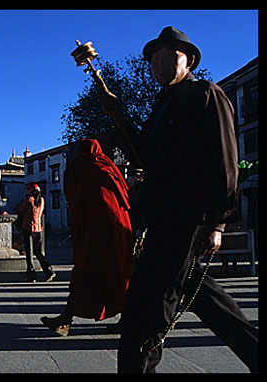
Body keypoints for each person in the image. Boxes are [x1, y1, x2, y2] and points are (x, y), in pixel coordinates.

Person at [93, 26, 257, 373]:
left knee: (147, 309)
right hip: (162, 218)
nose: (159, 63)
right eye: (154, 58)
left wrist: (217, 223)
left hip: (186, 221)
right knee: (205, 298)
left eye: (168, 56)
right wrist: (118, 116)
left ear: (188, 60)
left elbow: (225, 160)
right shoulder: (163, 104)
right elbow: (146, 158)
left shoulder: (205, 95)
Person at [41, 139, 133, 336]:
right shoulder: (107, 170)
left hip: (96, 236)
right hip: (116, 235)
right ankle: (67, 319)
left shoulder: (87, 171)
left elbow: (83, 203)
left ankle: (67, 319)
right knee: (114, 275)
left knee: (88, 275)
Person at [17, 183, 55, 283]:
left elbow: (20, 209)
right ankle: (48, 271)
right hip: (38, 229)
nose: (26, 191)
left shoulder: (29, 200)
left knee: (29, 254)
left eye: (28, 190)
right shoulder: (42, 200)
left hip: (28, 228)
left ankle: (31, 276)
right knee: (38, 253)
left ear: (31, 191)